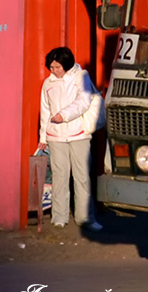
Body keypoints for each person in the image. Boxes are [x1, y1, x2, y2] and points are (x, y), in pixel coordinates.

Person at [37, 47, 102, 231]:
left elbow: (83, 102)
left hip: (78, 134)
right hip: (55, 136)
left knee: (81, 176)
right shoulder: (47, 83)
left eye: (57, 67)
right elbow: (45, 111)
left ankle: (86, 218)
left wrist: (63, 115)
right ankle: (59, 216)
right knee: (59, 176)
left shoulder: (81, 77)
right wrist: (43, 136)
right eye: (51, 67)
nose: (54, 71)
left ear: (66, 65)